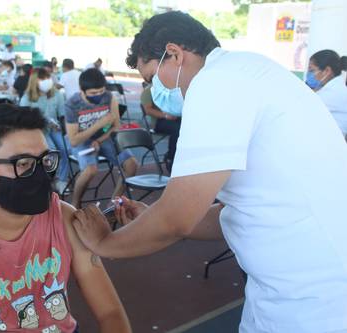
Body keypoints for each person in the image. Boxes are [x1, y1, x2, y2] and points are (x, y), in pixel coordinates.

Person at [72, 11, 347, 333]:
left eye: (151, 78)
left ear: (174, 54)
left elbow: (176, 219)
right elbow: (239, 211)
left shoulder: (216, 83)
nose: (153, 89)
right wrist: (151, 217)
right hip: (287, 290)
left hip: (313, 299)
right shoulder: (247, 71)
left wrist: (106, 244)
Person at [0, 104, 131, 333]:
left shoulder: (63, 217)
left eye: (45, 161)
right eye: (23, 164)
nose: (40, 175)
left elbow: (110, 313)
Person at [65, 68, 137, 208]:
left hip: (105, 137)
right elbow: (74, 141)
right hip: (82, 141)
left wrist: (99, 140)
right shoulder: (72, 104)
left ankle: (113, 204)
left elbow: (116, 127)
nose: (98, 96)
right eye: (93, 93)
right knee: (90, 170)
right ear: (82, 90)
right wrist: (100, 124)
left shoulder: (109, 97)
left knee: (131, 164)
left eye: (101, 91)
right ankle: (75, 203)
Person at [20, 67, 70, 194]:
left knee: (65, 150)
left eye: (48, 78)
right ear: (34, 81)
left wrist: (66, 131)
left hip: (54, 128)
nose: (46, 81)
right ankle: (50, 179)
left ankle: (62, 180)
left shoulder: (57, 94)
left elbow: (62, 115)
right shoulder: (27, 98)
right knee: (51, 151)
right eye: (42, 79)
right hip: (38, 131)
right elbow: (24, 120)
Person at [140, 82, 181, 172]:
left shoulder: (172, 89)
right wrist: (165, 115)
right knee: (177, 129)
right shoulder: (149, 91)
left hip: (175, 118)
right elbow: (147, 110)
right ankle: (171, 158)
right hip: (159, 121)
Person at [306, 50, 347, 136]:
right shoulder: (334, 88)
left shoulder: (332, 94)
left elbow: (303, 109)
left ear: (327, 71)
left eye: (312, 70)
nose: (309, 74)